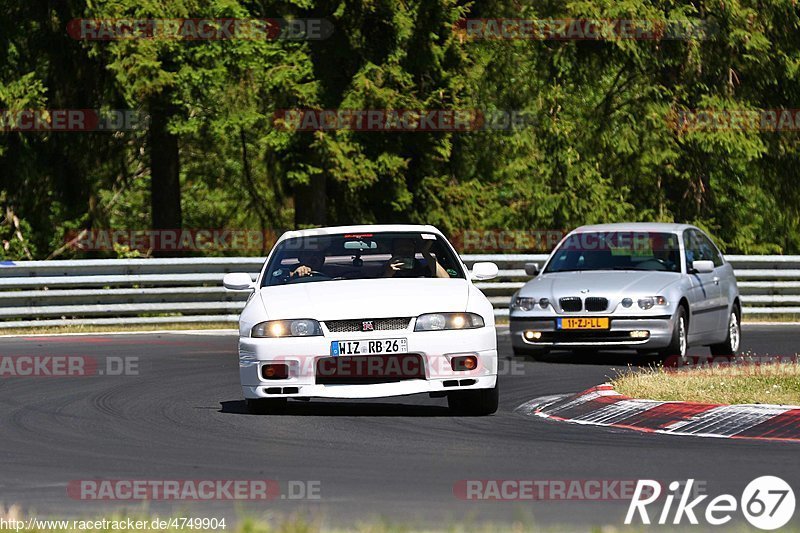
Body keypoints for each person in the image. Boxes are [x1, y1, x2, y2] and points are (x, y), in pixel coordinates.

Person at [383, 238, 449, 278]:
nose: (405, 253)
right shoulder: (386, 269)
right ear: (393, 252)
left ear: (414, 251)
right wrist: (388, 274)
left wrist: (425, 252)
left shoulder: (420, 268)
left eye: (409, 249)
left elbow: (446, 280)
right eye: (401, 249)